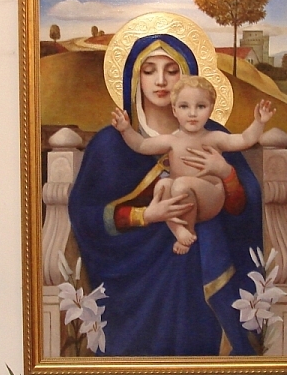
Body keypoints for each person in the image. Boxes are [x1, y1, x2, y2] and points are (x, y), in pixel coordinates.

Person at [68, 12, 264, 356]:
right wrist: (146, 215)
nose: (160, 80)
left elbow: (242, 211)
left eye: (172, 71)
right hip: (130, 274)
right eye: (149, 70)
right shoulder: (110, 144)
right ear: (135, 78)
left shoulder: (215, 136)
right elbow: (87, 215)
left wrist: (225, 173)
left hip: (199, 264)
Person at [111, 75, 274, 254]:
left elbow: (244, 139)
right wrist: (126, 129)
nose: (192, 113)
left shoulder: (215, 137)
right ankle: (179, 230)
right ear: (174, 110)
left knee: (181, 183)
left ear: (211, 109)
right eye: (184, 106)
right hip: (181, 196)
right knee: (163, 185)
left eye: (201, 106)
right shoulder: (171, 140)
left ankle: (189, 230)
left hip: (210, 197)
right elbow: (141, 145)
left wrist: (259, 122)